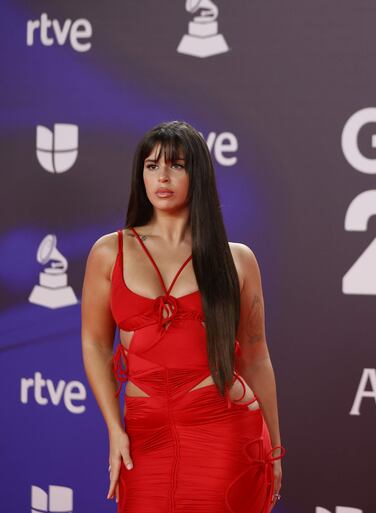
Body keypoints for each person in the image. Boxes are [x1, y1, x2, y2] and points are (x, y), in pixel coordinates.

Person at [80, 120, 284, 513]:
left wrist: (274, 447)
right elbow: (94, 343)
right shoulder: (110, 251)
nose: (162, 176)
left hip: (224, 432)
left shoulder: (236, 259)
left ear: (199, 175)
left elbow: (256, 356)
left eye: (177, 165)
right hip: (144, 435)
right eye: (152, 165)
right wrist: (114, 428)